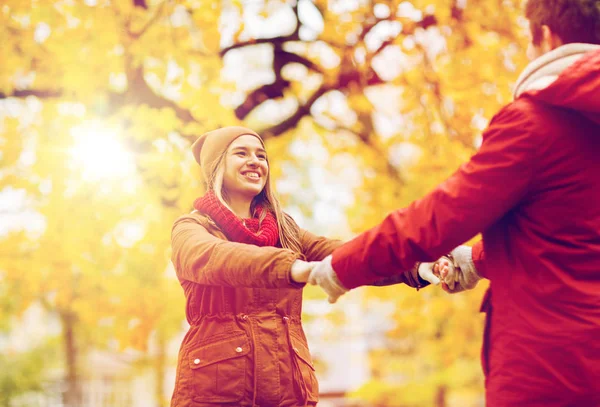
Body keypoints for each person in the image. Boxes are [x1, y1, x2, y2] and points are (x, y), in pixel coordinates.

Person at [307, 1, 600, 405]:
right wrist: (476, 260)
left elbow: (440, 217)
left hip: (550, 369)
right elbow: (571, 233)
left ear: (545, 37)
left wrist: (344, 265)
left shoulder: (534, 124)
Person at [169, 126, 447, 407]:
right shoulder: (192, 228)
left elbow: (347, 255)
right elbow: (218, 257)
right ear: (216, 167)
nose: (255, 161)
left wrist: (414, 266)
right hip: (217, 392)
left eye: (261, 156)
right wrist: (292, 268)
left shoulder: (287, 231)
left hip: (289, 390)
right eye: (241, 153)